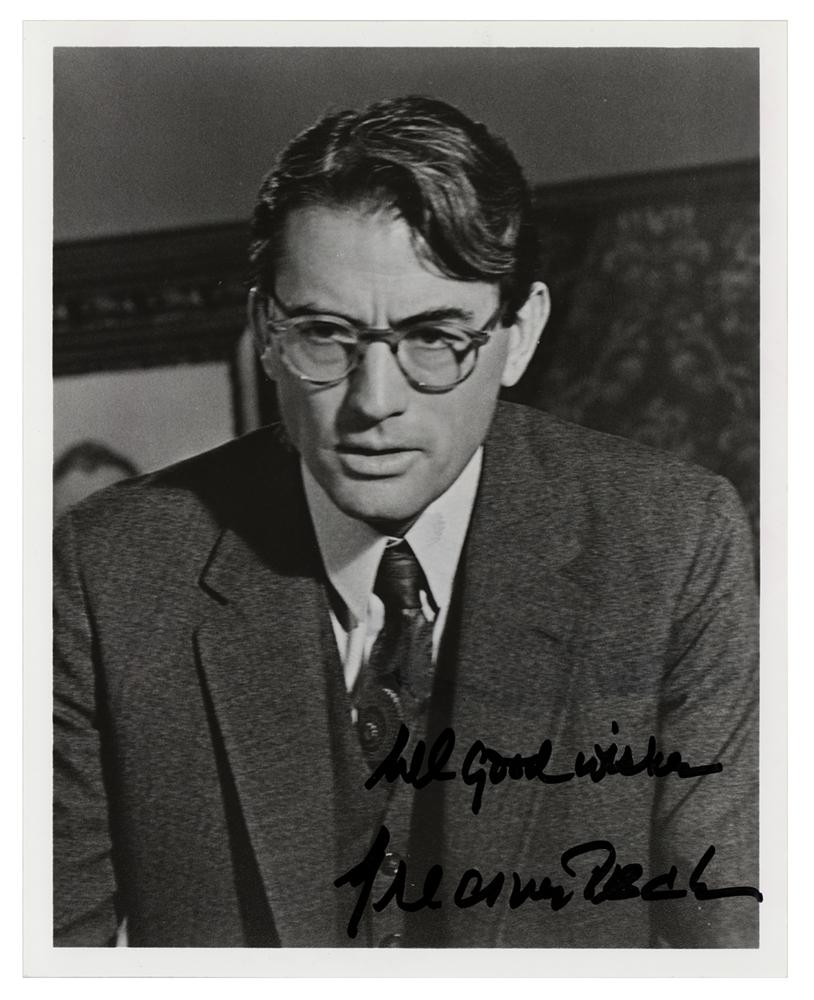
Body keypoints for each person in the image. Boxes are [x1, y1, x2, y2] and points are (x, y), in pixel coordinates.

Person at [53, 95, 759, 949]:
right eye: (325, 334)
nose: (374, 402)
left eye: (434, 338)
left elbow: (734, 954)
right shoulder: (111, 569)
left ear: (520, 334)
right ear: (266, 332)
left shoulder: (673, 543)